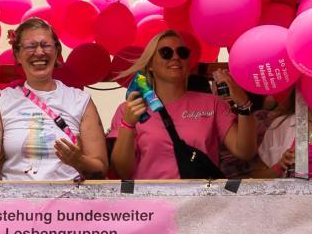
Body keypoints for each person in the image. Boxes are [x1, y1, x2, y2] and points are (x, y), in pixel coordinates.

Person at [0, 19, 108, 181]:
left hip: (67, 203)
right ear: (17, 54)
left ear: (57, 52)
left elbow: (101, 169)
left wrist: (79, 161)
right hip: (16, 203)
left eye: (46, 45)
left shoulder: (81, 100)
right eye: (30, 46)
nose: (39, 52)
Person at [109, 30, 255, 179]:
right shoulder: (130, 109)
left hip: (200, 199)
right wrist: (128, 124)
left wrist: (244, 104)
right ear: (150, 65)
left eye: (182, 52)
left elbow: (244, 151)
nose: (176, 57)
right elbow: (122, 172)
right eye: (166, 52)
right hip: (150, 200)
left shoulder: (212, 104)